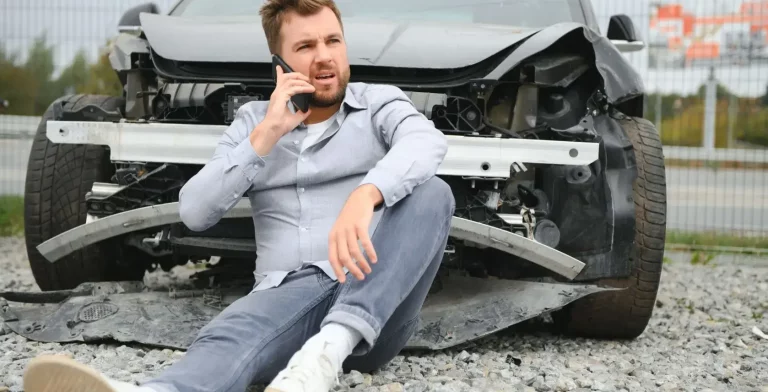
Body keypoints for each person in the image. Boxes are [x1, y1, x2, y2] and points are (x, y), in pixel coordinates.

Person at [22, 0, 455, 392]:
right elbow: (194, 211)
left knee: (433, 192)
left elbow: (427, 144)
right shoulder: (252, 122)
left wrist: (366, 195)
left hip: (373, 311)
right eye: (305, 46)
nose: (324, 56)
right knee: (232, 331)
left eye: (332, 41)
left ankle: (328, 350)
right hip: (283, 300)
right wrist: (266, 137)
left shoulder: (379, 104)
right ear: (280, 63)